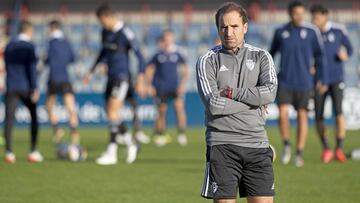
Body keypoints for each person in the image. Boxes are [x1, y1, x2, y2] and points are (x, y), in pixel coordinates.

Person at [197, 2, 277, 202]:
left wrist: (233, 93)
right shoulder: (207, 60)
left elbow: (270, 93)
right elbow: (214, 104)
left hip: (257, 144)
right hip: (222, 145)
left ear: (245, 27)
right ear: (218, 29)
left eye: (234, 26)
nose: (229, 32)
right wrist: (254, 101)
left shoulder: (261, 57)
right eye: (224, 27)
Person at [84, 5, 146, 165]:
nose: (101, 25)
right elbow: (103, 52)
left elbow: (139, 56)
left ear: (108, 17)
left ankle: (112, 152)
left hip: (122, 77)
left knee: (112, 111)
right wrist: (92, 70)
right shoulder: (105, 32)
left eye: (102, 21)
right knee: (111, 112)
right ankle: (131, 143)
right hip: (110, 78)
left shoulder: (126, 32)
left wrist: (140, 78)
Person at [269, 1, 327, 167]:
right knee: (282, 114)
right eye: (296, 13)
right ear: (290, 14)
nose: (299, 16)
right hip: (285, 80)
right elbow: (270, 55)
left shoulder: (311, 32)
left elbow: (320, 57)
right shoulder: (281, 32)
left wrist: (321, 78)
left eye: (302, 13)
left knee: (302, 115)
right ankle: (286, 144)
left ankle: (299, 153)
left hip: (305, 83)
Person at [311, 4, 353, 164]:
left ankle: (339, 149)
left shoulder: (338, 30)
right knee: (319, 117)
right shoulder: (312, 34)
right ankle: (327, 148)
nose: (315, 20)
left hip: (336, 79)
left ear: (325, 16)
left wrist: (345, 54)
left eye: (317, 17)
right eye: (313, 17)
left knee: (339, 113)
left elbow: (349, 49)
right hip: (320, 81)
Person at [3, 20, 43, 163]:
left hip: (12, 86)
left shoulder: (9, 46)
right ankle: (33, 151)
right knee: (34, 118)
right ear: (29, 31)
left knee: (9, 119)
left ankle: (9, 152)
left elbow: (6, 65)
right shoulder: (30, 46)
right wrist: (35, 88)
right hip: (26, 87)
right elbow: (32, 69)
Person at [145, 31, 189, 147]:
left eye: (170, 38)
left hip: (175, 87)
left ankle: (181, 134)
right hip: (160, 87)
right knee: (161, 111)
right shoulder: (158, 54)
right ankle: (160, 134)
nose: (168, 41)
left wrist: (183, 84)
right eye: (166, 38)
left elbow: (185, 69)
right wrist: (149, 85)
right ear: (163, 40)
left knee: (179, 108)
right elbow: (150, 69)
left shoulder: (178, 52)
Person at [44, 20, 80, 147]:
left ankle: (57, 129)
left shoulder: (50, 43)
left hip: (53, 78)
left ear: (52, 28)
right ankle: (75, 133)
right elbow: (73, 58)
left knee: (49, 107)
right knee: (70, 107)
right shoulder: (66, 42)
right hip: (65, 78)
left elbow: (46, 60)